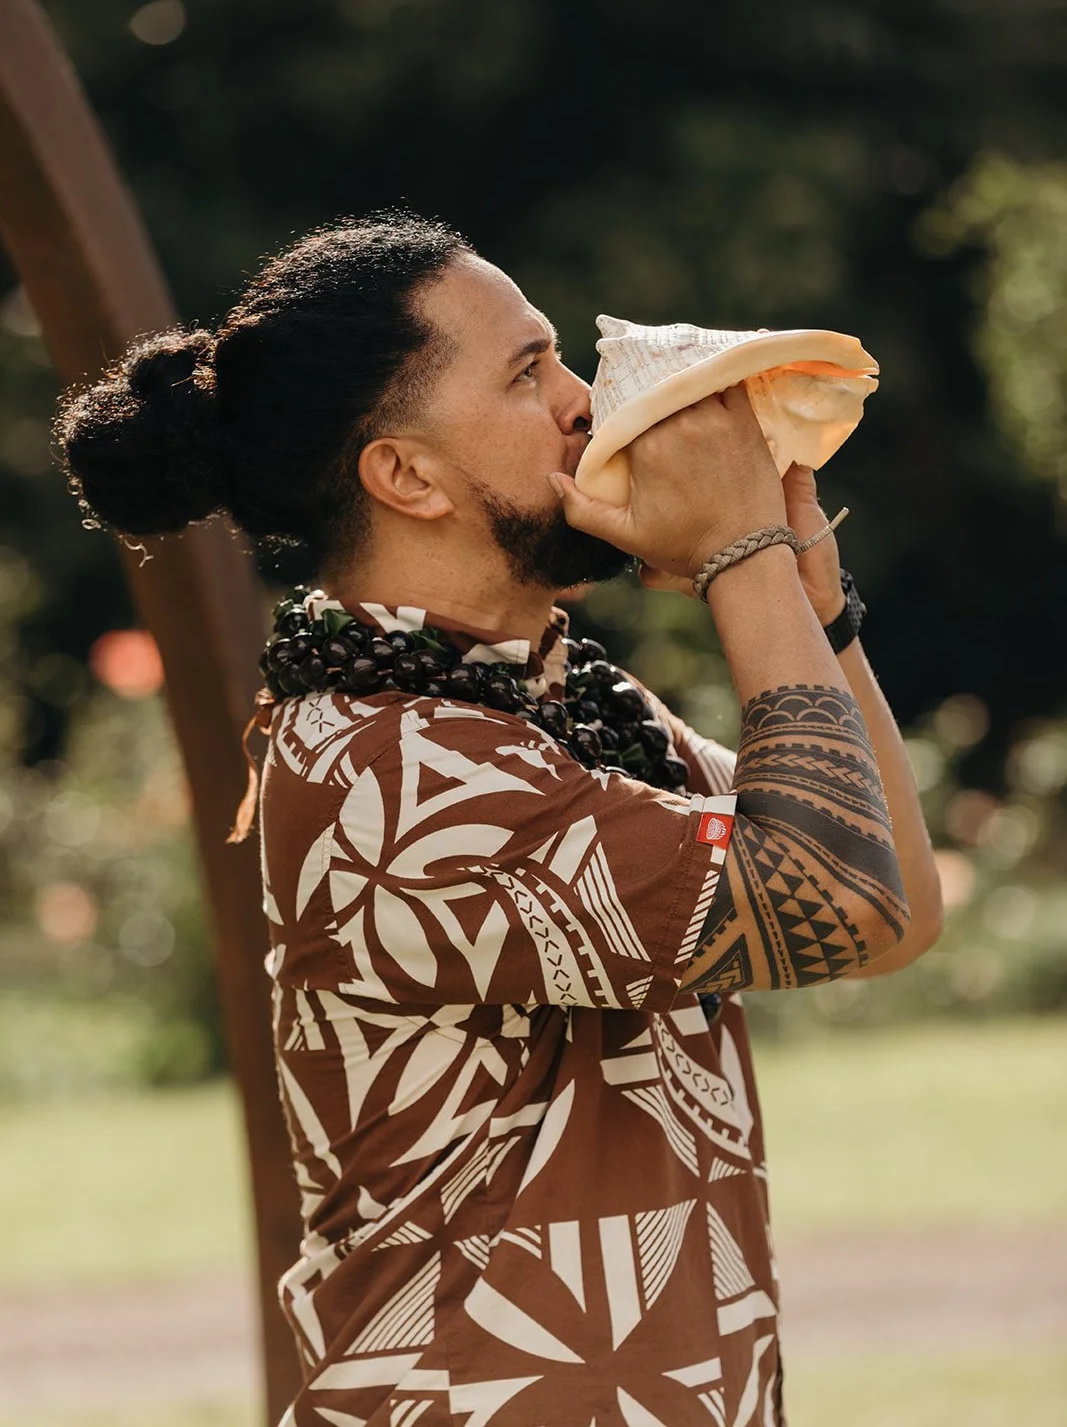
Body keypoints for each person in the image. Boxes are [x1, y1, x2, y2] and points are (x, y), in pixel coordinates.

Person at [56, 210, 942, 1427]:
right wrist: (737, 556)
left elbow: (889, 906)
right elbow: (832, 899)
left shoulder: (559, 706)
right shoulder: (388, 774)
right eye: (529, 374)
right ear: (405, 475)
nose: (582, 400)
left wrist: (811, 614)